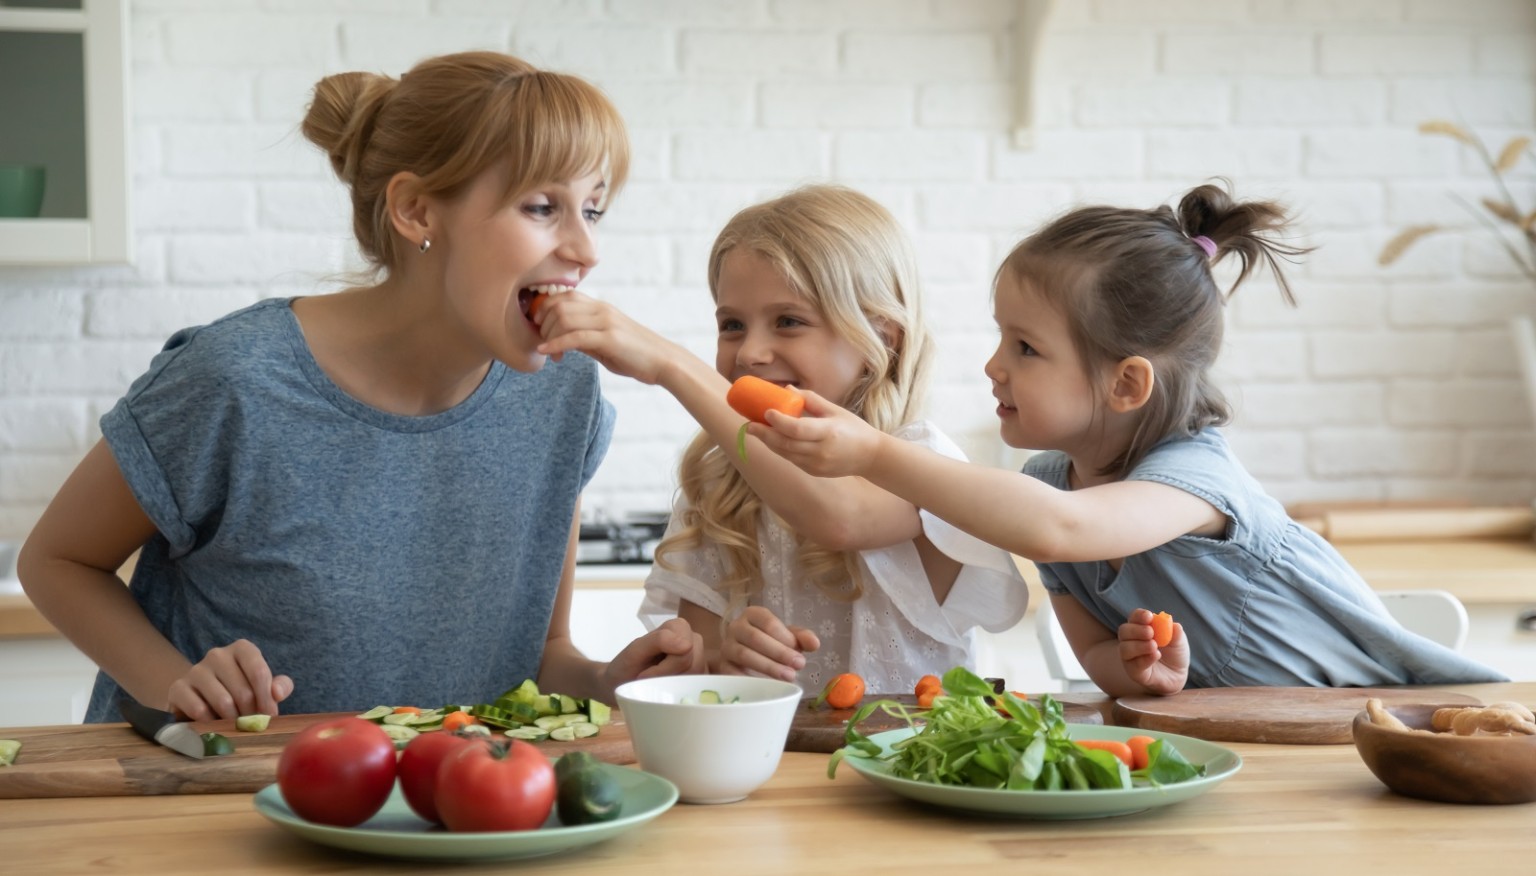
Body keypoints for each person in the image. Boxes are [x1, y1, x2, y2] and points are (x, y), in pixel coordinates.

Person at [16, 51, 705, 723]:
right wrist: (178, 685)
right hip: (216, 804)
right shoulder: (235, 380)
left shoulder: (563, 394)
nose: (586, 251)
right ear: (415, 211)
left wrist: (612, 680)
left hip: (441, 817)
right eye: (541, 207)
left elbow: (543, 655)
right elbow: (56, 561)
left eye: (593, 210)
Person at [749, 181, 1508, 696]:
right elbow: (1096, 658)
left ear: (1126, 385)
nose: (993, 366)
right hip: (1248, 749)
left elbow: (1061, 531)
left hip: (1393, 723)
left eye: (1025, 348)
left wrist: (876, 453)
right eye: (999, 339)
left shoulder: (1192, 476)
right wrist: (1143, 669)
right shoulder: (1045, 487)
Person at [535, 185, 1029, 694]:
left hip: (908, 766)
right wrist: (725, 660)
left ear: (882, 334)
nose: (749, 353)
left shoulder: (921, 461)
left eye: (788, 322)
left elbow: (838, 516)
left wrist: (670, 365)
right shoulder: (719, 487)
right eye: (731, 325)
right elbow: (694, 677)